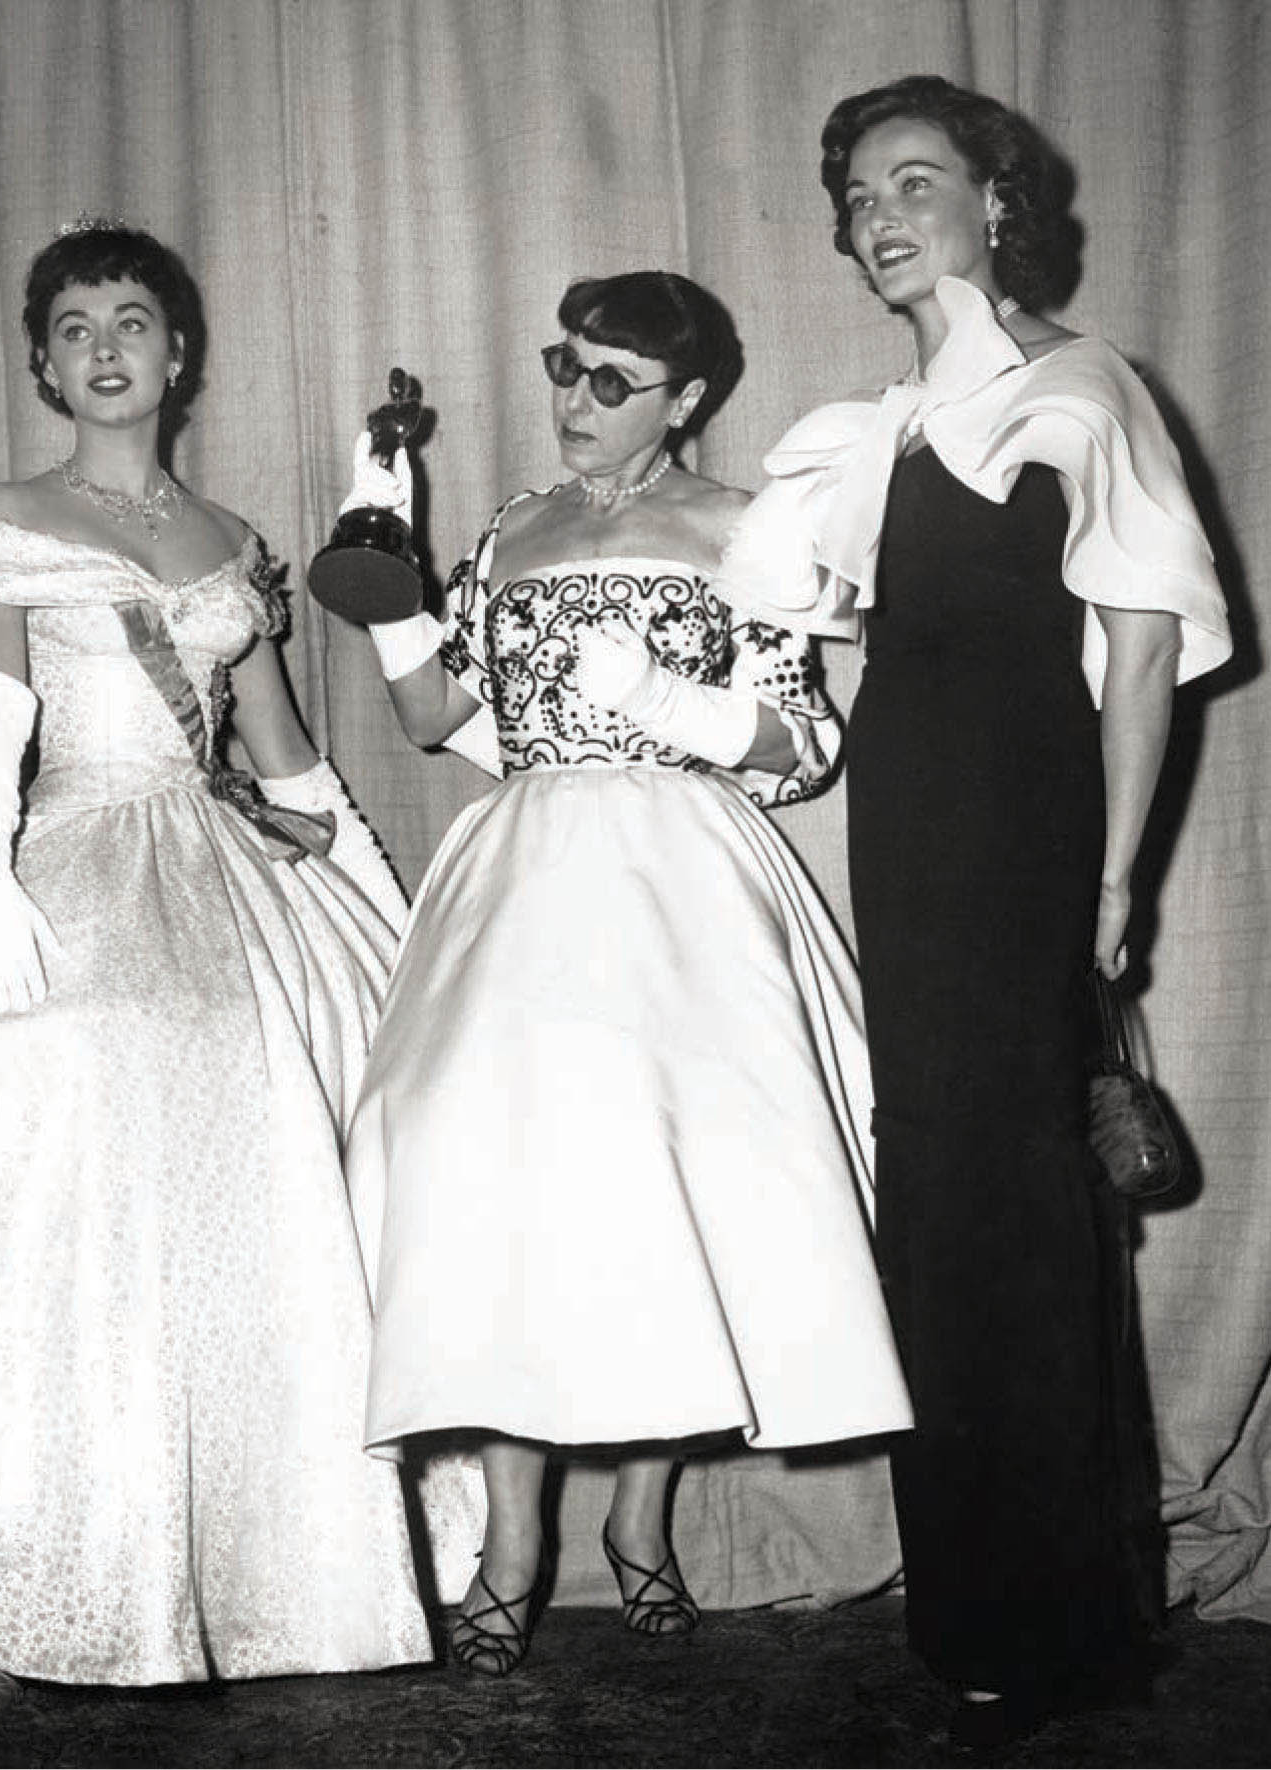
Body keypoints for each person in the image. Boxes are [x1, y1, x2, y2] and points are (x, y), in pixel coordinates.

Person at [0, 221, 470, 1711]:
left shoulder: (225, 541)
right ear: (45, 362)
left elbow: (289, 759)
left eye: (133, 319)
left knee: (261, 1147)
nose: (106, 345)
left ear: (177, 353)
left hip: (221, 868)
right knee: (10, 1089)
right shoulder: (8, 510)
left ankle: (230, 1565)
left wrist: (390, 921)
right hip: (60, 844)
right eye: (74, 327)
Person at [714, 76, 1231, 1743]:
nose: (879, 218)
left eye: (911, 184)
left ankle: (1065, 1616)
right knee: (935, 1194)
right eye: (857, 198)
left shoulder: (1085, 390)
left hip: (1030, 824)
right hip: (908, 822)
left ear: (995, 202)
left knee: (1021, 1198)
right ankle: (974, 1617)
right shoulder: (866, 429)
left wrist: (1112, 882)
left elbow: (1141, 651)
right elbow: (825, 619)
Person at [339, 270, 913, 1676]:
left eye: (612, 382)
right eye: (565, 367)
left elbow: (806, 745)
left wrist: (670, 704)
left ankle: (640, 1525)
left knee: (672, 1201)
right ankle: (512, 1541)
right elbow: (435, 722)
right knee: (494, 1192)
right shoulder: (512, 529)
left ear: (688, 399)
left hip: (681, 880)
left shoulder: (744, 530)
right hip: (523, 873)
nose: (573, 402)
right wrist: (390, 572)